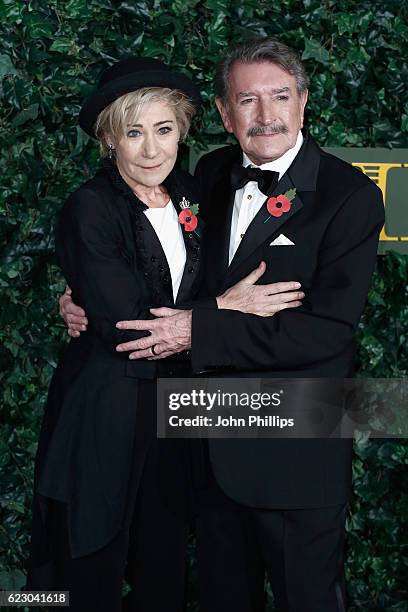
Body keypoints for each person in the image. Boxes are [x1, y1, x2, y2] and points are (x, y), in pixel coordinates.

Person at [27, 55, 304, 612]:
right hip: (107, 406)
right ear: (110, 140)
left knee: (165, 557)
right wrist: (228, 305)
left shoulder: (191, 191)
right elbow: (127, 322)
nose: (151, 150)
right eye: (134, 133)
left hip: (177, 406)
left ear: (181, 132)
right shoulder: (90, 208)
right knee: (92, 560)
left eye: (163, 130)